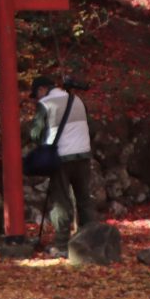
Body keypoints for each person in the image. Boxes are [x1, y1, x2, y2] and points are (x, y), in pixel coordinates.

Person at [32, 73, 94, 252]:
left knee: (61, 201)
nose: (36, 99)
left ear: (42, 89)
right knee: (84, 199)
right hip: (83, 154)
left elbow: (36, 134)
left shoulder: (45, 104)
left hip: (60, 157)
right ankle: (89, 241)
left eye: (36, 94)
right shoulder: (78, 100)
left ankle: (61, 245)